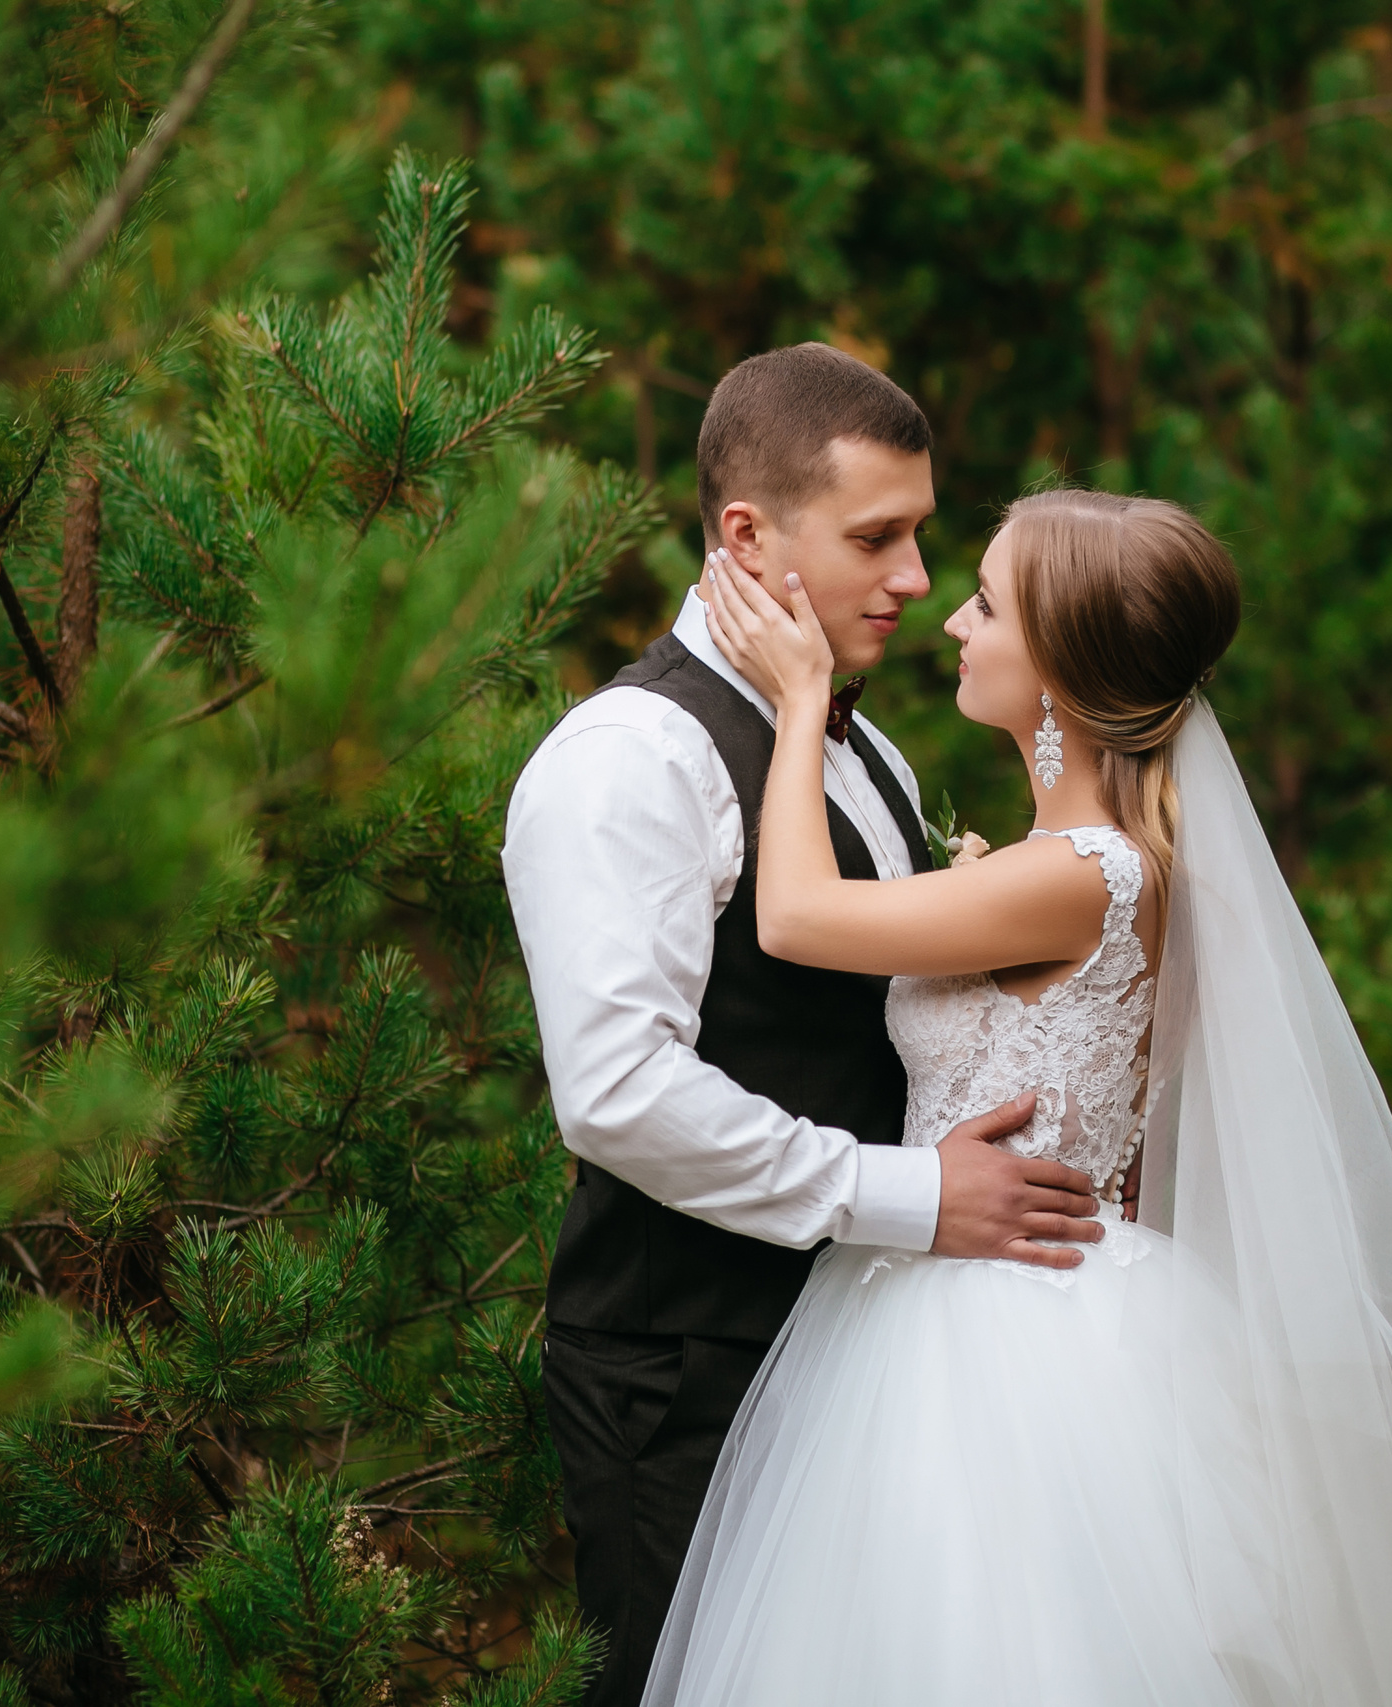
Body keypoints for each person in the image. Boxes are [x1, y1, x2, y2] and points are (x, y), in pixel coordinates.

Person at [645, 490, 1392, 1705]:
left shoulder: (1081, 873)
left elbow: (795, 917)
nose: (952, 626)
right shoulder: (1098, 869)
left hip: (998, 1338)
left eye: (985, 603)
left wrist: (802, 694)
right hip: (1006, 1298)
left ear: (1059, 672)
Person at [499, 344, 1109, 1707]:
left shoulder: (859, 743)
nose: (914, 581)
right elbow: (617, 1094)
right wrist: (912, 1194)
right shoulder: (626, 763)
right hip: (688, 1376)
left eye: (923, 539)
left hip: (863, 1360)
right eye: (877, 537)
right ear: (746, 535)